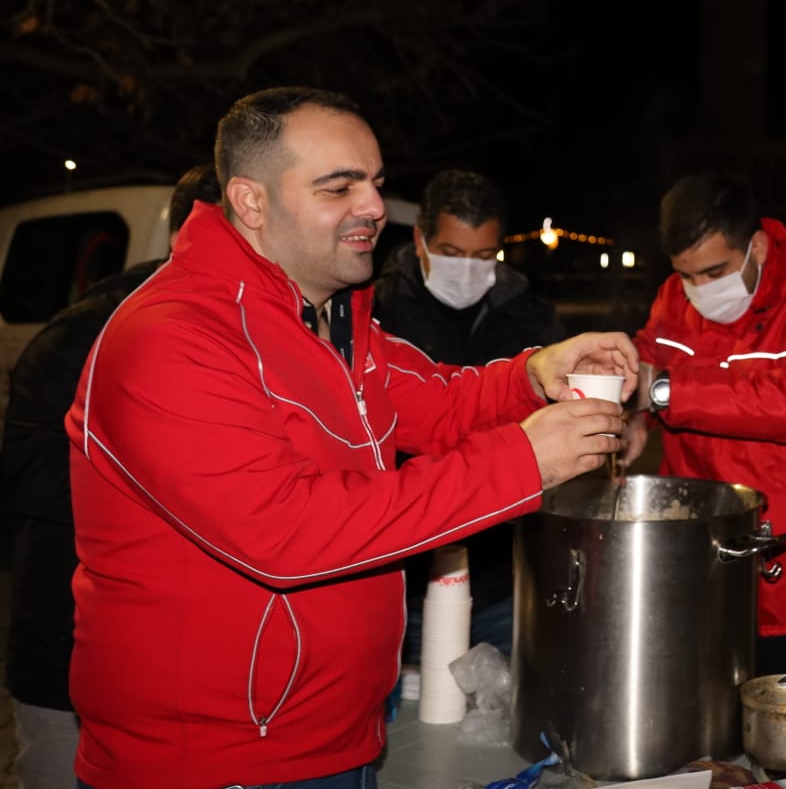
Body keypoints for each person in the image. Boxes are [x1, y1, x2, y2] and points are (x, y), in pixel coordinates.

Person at [64, 86, 635, 789]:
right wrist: (524, 461)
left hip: (339, 735)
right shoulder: (173, 339)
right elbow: (287, 534)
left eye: (375, 182)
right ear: (251, 202)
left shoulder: (330, 313)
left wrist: (533, 374)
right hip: (218, 763)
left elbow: (438, 401)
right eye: (340, 187)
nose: (371, 206)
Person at [622, 172, 786, 718]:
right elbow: (646, 363)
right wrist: (634, 414)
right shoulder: (674, 299)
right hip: (705, 575)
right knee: (712, 751)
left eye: (715, 271)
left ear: (756, 245)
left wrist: (664, 389)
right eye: (686, 275)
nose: (699, 289)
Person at [0, 164, 220, 789]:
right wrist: (154, 483)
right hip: (67, 652)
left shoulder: (255, 328)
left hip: (184, 665)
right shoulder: (90, 329)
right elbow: (23, 468)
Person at [373, 168, 567, 664]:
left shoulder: (529, 314)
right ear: (420, 239)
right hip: (401, 573)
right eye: (452, 255)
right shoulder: (377, 311)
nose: (467, 271)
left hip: (498, 572)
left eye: (483, 257)